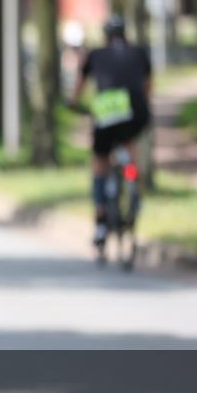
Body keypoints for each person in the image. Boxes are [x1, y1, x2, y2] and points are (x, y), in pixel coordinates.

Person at [69, 14, 152, 245]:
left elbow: (79, 84)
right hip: (136, 108)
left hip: (108, 109)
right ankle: (133, 186)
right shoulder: (140, 52)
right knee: (129, 145)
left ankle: (101, 219)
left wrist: (73, 103)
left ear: (106, 36)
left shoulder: (95, 55)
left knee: (100, 161)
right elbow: (147, 85)